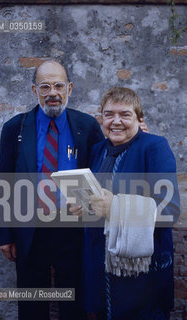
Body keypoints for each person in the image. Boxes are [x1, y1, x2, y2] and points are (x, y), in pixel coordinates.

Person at [0, 59, 105, 320]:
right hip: (30, 230)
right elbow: (4, 182)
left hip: (74, 230)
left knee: (74, 304)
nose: (52, 93)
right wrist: (4, 234)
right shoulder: (15, 128)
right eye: (45, 86)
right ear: (35, 91)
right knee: (32, 304)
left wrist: (139, 135)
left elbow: (104, 170)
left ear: (70, 88)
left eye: (58, 85)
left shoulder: (86, 126)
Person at [83, 87, 180, 320]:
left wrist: (115, 208)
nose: (116, 121)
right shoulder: (97, 150)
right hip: (99, 266)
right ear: (101, 119)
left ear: (139, 119)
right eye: (109, 114)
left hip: (140, 274)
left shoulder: (154, 147)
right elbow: (97, 201)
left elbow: (170, 210)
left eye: (125, 114)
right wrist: (84, 207)